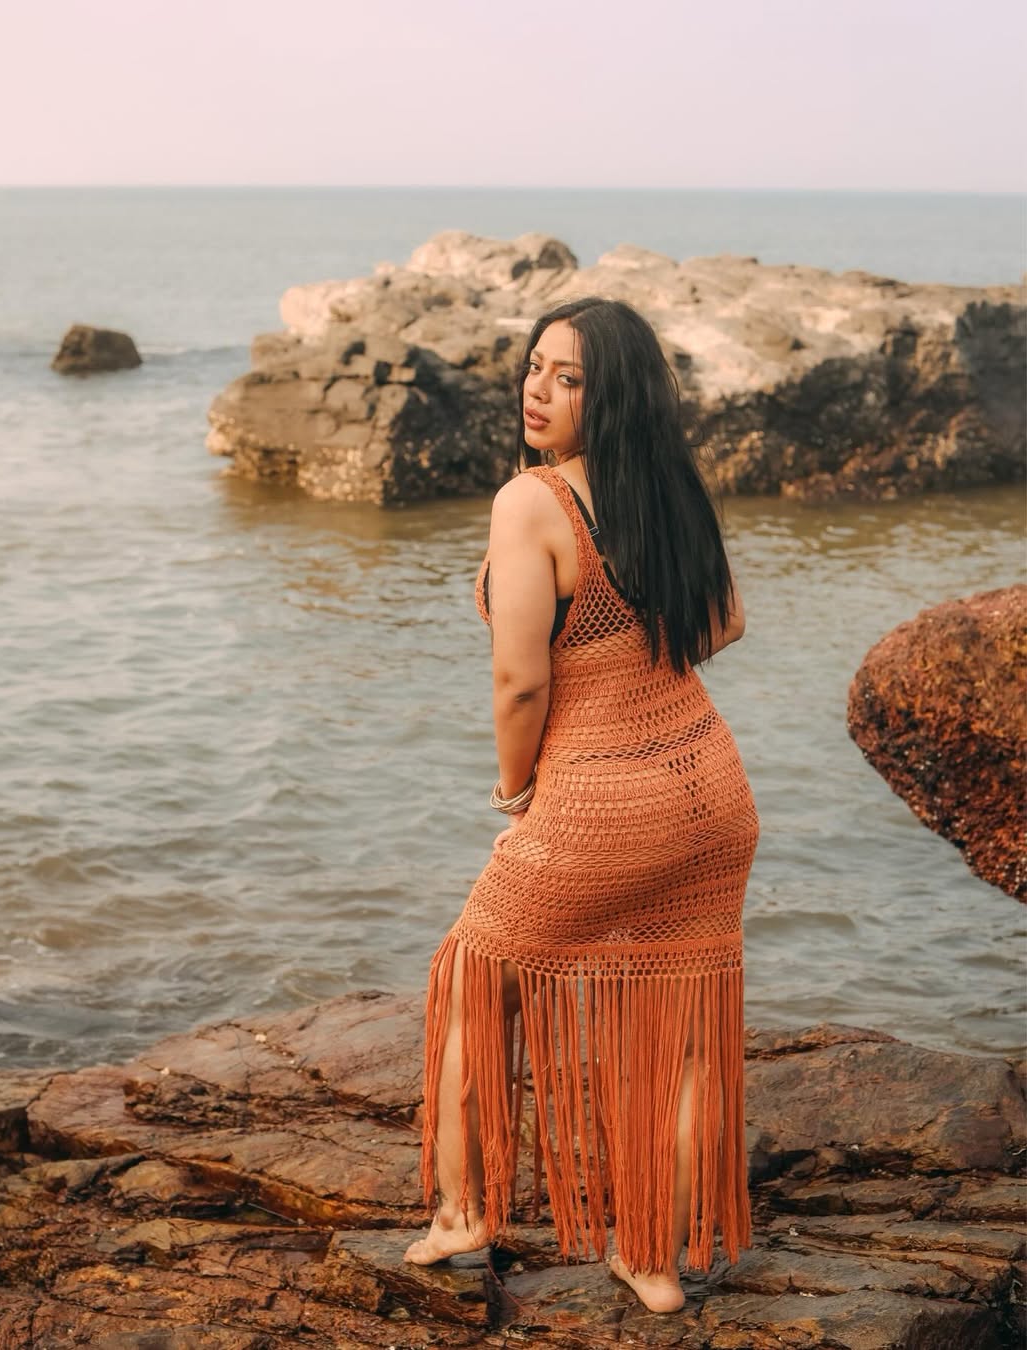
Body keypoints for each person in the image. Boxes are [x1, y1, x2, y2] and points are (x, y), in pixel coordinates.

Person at [403, 295, 760, 1315]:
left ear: (610, 400)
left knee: (473, 978)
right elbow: (721, 623)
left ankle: (467, 1214)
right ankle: (653, 1260)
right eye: (534, 367)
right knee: (682, 1022)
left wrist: (518, 789)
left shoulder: (533, 502)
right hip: (710, 795)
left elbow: (520, 683)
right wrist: (633, 660)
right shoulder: (669, 486)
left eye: (568, 378)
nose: (539, 389)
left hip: (599, 802)